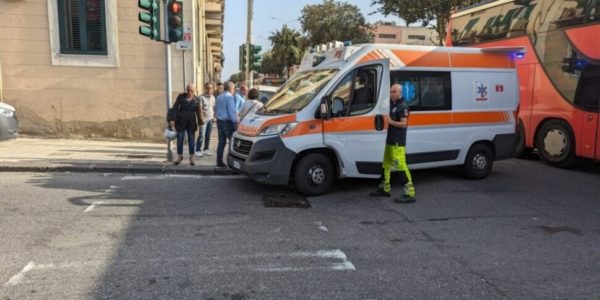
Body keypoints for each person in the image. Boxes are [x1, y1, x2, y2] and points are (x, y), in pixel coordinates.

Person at [370, 84, 416, 203]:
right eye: (390, 91)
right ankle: (385, 189)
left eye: (394, 92)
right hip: (389, 141)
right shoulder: (391, 105)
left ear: (400, 93)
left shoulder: (402, 106)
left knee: (401, 167)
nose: (391, 93)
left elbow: (403, 124)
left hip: (397, 142)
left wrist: (390, 121)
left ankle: (410, 193)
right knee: (385, 165)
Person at [168, 83, 204, 166]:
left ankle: (191, 156)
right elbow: (175, 108)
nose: (190, 92)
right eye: (188, 90)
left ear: (194, 91)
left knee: (191, 140)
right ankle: (179, 156)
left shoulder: (197, 99)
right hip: (181, 121)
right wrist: (172, 119)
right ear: (186, 90)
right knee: (180, 139)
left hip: (191, 123)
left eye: (192, 90)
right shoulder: (181, 97)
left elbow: (199, 112)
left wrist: (201, 122)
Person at [215, 81, 238, 168]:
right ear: (230, 88)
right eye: (233, 89)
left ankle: (219, 161)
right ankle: (233, 163)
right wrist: (236, 122)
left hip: (219, 121)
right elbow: (232, 111)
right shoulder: (229, 97)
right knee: (233, 143)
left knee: (221, 142)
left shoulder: (219, 97)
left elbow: (216, 109)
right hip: (227, 122)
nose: (234, 90)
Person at [196, 82, 216, 157]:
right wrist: (201, 119)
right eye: (208, 88)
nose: (209, 89)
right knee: (201, 135)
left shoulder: (213, 97)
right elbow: (199, 109)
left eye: (211, 88)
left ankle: (206, 149)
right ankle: (198, 150)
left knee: (208, 135)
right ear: (205, 88)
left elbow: (213, 108)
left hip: (210, 119)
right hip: (203, 120)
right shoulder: (201, 97)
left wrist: (214, 116)